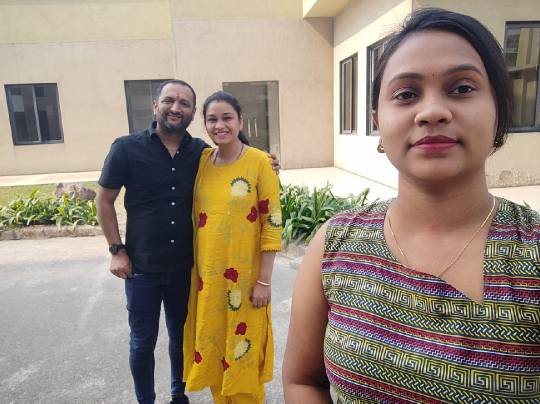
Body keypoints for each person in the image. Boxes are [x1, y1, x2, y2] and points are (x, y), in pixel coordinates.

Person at [283, 8, 540, 404]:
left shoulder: (532, 253)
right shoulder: (336, 245)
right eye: (406, 94)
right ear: (378, 123)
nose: (432, 111)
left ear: (498, 111)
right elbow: (303, 381)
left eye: (462, 88)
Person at [96, 81, 278, 404]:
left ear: (193, 114)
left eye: (185, 103)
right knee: (142, 342)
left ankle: (178, 396)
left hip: (187, 270)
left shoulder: (200, 154)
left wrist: (266, 161)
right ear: (156, 105)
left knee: (182, 338)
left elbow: (239, 161)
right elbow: (104, 200)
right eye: (169, 100)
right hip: (142, 266)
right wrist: (116, 250)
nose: (176, 107)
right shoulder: (126, 148)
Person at [182, 91, 282, 404]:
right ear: (204, 124)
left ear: (240, 121)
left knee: (243, 352)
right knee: (214, 351)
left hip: (247, 282)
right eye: (212, 119)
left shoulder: (260, 163)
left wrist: (264, 281)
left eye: (227, 118)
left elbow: (272, 223)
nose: (219, 125)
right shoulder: (202, 161)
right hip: (208, 282)